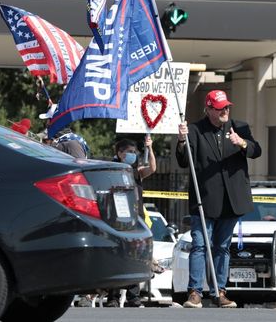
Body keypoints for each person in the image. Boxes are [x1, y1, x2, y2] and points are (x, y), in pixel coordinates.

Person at [176, 89, 262, 309]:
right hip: (205, 199)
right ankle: (195, 292)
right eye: (220, 107)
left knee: (222, 247)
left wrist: (241, 142)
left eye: (227, 106)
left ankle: (219, 291)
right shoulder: (195, 129)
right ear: (209, 109)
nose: (225, 110)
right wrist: (181, 141)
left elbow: (256, 150)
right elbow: (184, 161)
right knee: (199, 245)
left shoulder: (239, 126)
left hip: (231, 199)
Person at [105, 137, 156, 308]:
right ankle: (112, 296)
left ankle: (133, 296)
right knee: (117, 257)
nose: (133, 155)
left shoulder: (137, 172)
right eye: (129, 152)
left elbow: (153, 168)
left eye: (134, 152)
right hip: (118, 220)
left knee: (136, 257)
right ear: (119, 154)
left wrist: (151, 149)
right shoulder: (111, 171)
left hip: (136, 220)